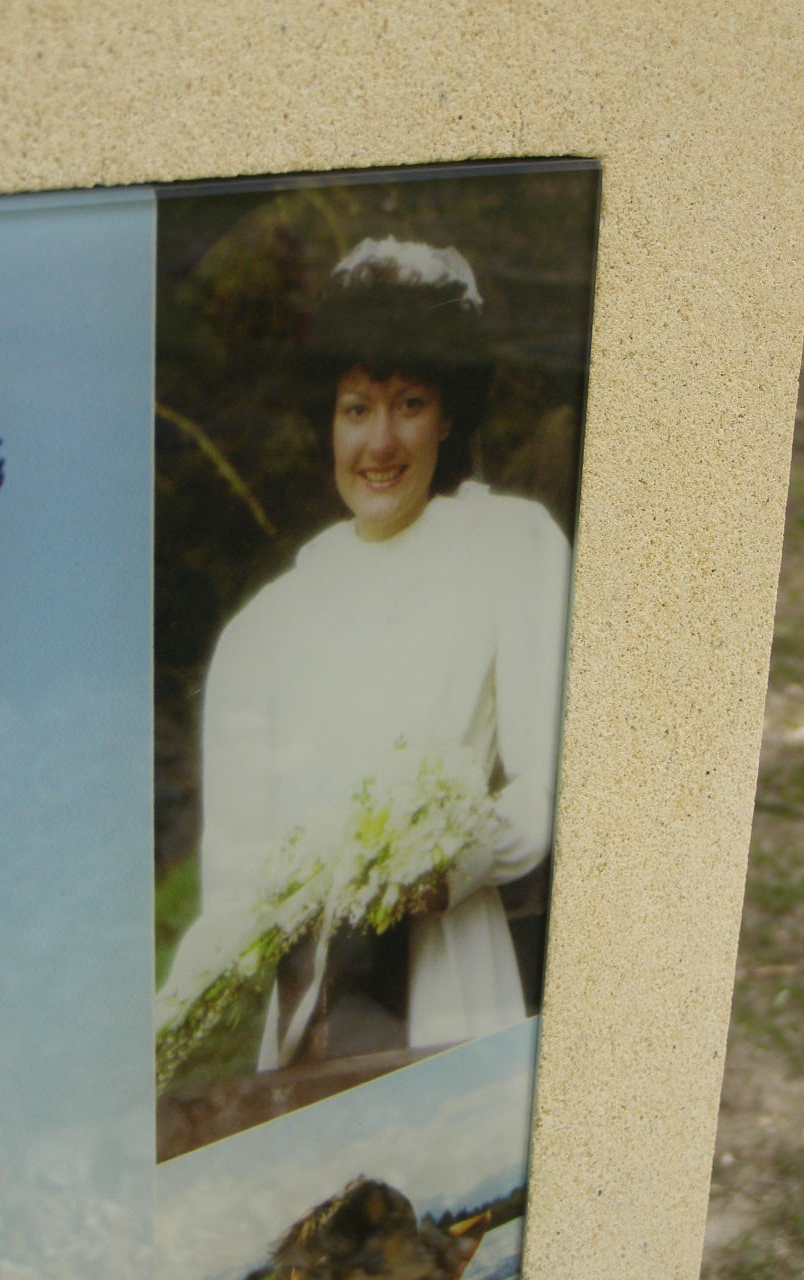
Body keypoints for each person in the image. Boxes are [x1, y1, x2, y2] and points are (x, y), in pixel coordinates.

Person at [186, 235, 571, 1074]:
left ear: (449, 414)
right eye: (357, 408)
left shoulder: (507, 548)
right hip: (306, 1023)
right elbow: (233, 894)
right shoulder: (264, 629)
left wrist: (442, 860)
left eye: (411, 403)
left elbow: (548, 789)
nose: (381, 443)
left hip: (446, 985)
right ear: (327, 421)